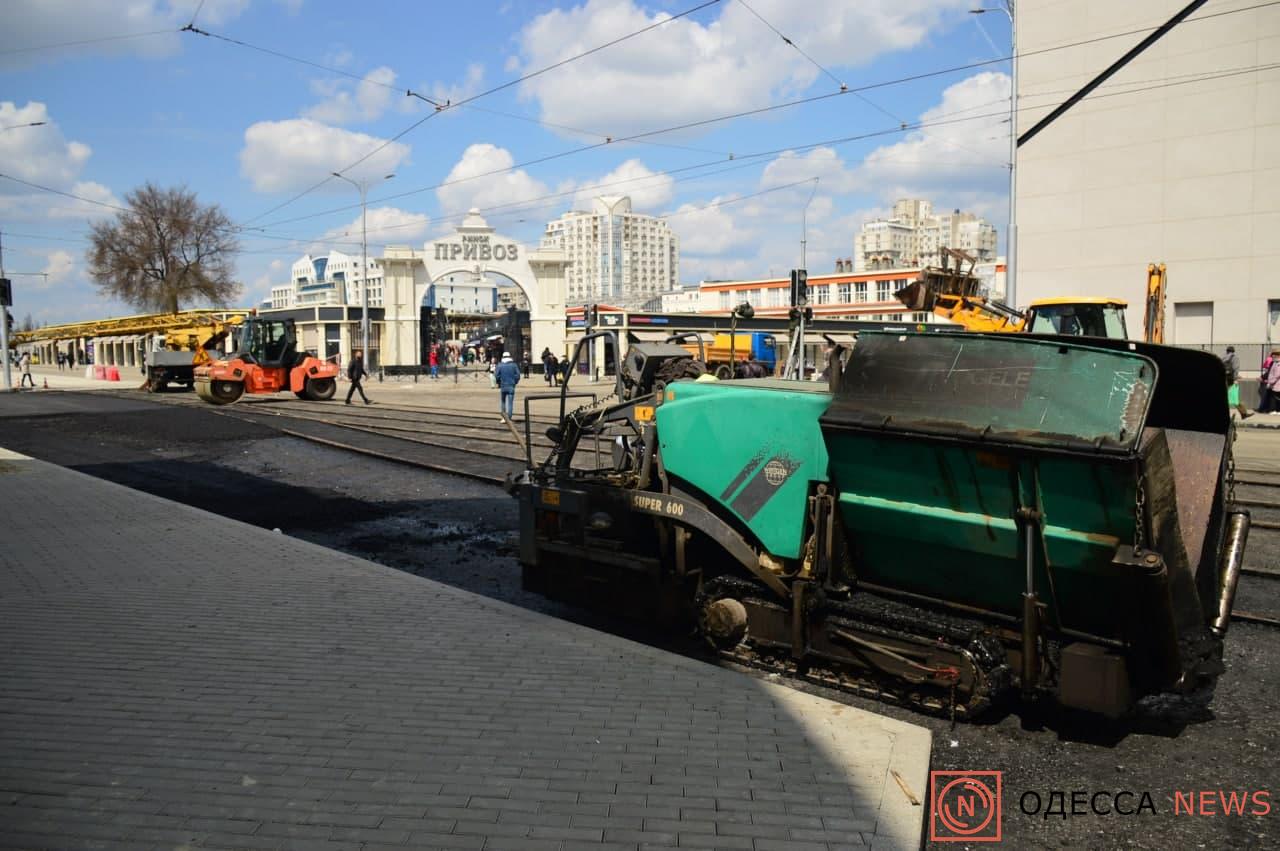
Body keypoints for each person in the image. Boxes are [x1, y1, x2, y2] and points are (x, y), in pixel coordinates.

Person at [1222, 346, 1251, 419]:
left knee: (1229, 397)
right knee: (1234, 398)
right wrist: (1235, 379)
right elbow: (1235, 368)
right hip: (1231, 380)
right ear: (1233, 351)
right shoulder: (1234, 358)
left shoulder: (1223, 358)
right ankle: (1244, 414)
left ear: (1227, 351)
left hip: (1224, 379)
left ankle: (1243, 414)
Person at [495, 351, 521, 421]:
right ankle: (509, 417)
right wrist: (514, 382)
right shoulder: (514, 365)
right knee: (510, 403)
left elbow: (496, 375)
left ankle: (504, 417)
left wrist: (499, 382)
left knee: (503, 401)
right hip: (511, 386)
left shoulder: (499, 365)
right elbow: (518, 375)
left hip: (503, 385)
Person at [1261, 349, 1280, 414]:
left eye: (1274, 354)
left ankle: (1275, 410)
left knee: (1275, 398)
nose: (1273, 356)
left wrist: (1270, 382)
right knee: (1274, 397)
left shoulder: (1278, 363)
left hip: (1276, 384)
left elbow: (1277, 375)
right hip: (1274, 383)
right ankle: (1275, 410)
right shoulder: (1275, 362)